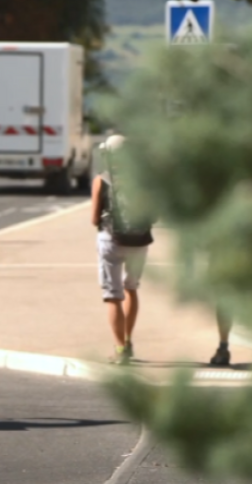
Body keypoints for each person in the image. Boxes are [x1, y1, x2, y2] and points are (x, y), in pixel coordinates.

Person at [90, 134, 154, 364]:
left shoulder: (102, 180)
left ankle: (119, 350)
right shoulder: (143, 179)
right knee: (131, 289)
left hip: (111, 240)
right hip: (139, 241)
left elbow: (94, 218)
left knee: (113, 296)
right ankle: (128, 341)